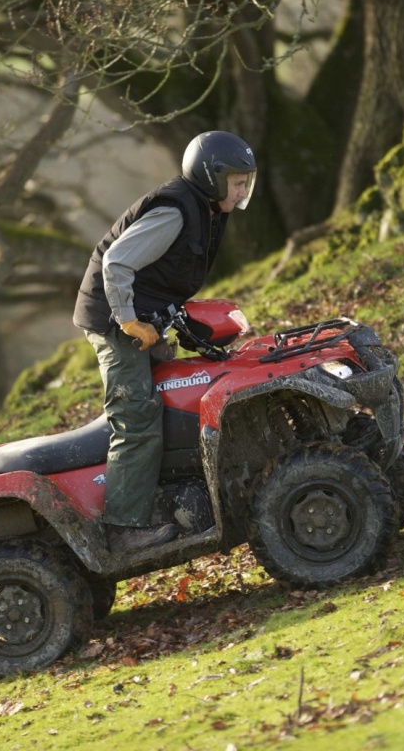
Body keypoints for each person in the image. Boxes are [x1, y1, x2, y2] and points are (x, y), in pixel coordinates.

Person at [72, 131, 257, 554]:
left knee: (171, 397)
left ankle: (163, 498)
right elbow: (116, 263)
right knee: (136, 416)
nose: (242, 190)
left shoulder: (206, 208)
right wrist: (127, 320)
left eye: (246, 182)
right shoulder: (175, 211)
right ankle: (122, 528)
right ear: (212, 177)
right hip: (115, 318)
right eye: (237, 182)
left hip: (143, 314)